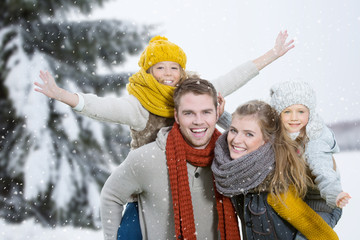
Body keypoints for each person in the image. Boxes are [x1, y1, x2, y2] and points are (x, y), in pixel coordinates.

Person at [34, 33, 294, 239]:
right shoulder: (139, 106)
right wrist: (64, 96)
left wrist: (272, 55)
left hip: (190, 179)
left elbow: (233, 78)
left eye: (174, 67)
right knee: (133, 232)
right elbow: (103, 108)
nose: (168, 74)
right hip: (148, 188)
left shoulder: (193, 94)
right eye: (160, 68)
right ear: (148, 72)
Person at [100, 78, 241, 240]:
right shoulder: (145, 158)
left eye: (206, 112)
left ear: (217, 113)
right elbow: (111, 196)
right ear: (176, 115)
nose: (198, 121)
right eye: (189, 113)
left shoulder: (231, 159)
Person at [213, 100, 339, 240]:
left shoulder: (277, 187)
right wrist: (219, 114)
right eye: (233, 130)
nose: (236, 140)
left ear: (267, 140)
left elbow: (325, 236)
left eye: (249, 134)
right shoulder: (235, 175)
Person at [269, 81, 351, 239]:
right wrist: (221, 116)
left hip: (322, 204)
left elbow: (323, 170)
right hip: (297, 202)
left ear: (310, 112)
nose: (294, 118)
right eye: (287, 112)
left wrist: (335, 194)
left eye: (301, 111)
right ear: (278, 114)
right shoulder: (278, 134)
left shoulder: (314, 141)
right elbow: (247, 129)